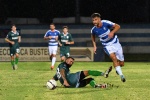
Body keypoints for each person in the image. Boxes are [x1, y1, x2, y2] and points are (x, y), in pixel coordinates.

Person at [90, 13, 126, 82]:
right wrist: (94, 46)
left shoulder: (106, 23)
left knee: (121, 63)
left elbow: (118, 26)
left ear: (99, 19)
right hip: (107, 45)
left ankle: (116, 69)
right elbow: (93, 37)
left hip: (115, 43)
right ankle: (122, 76)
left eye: (96, 19)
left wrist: (112, 32)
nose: (94, 21)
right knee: (114, 58)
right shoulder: (93, 30)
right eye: (93, 20)